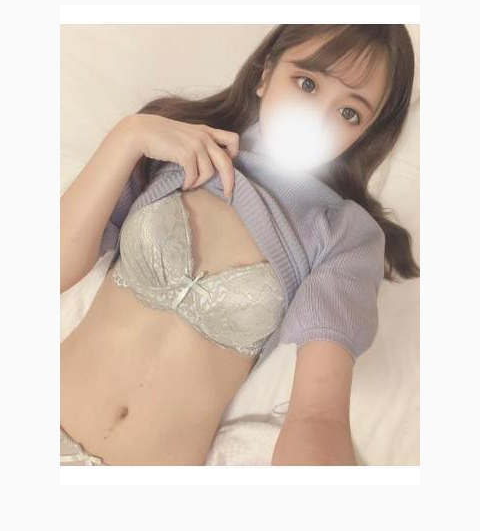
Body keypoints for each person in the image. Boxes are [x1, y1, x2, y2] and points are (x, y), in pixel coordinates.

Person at [60, 24, 419, 466]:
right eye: (307, 84)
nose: (318, 120)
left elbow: (318, 417)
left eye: (349, 113)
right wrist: (128, 135)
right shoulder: (172, 144)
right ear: (265, 73)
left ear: (365, 133)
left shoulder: (345, 234)